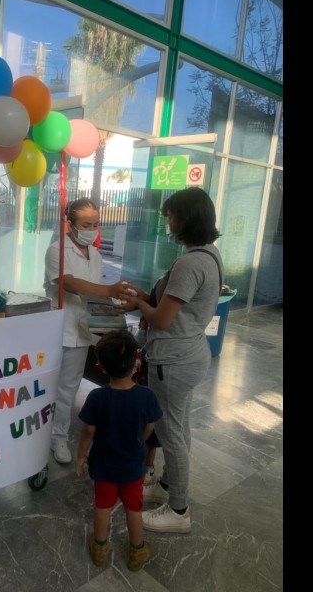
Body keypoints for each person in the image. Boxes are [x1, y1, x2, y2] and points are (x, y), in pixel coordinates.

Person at [115, 186, 222, 534]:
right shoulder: (208, 255)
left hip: (174, 360)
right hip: (190, 354)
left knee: (171, 433)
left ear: (186, 219)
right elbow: (173, 306)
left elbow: (162, 319)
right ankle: (166, 485)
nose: (169, 223)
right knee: (179, 427)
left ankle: (178, 510)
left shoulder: (191, 263)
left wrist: (138, 305)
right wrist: (145, 296)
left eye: (172, 217)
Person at [44, 198, 133, 464]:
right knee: (46, 386)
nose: (92, 230)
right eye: (85, 225)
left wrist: (113, 306)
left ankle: (58, 437)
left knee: (68, 388)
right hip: (57, 327)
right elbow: (68, 283)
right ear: (70, 224)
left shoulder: (96, 256)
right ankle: (36, 432)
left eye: (95, 224)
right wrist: (108, 290)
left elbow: (93, 294)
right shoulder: (57, 251)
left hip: (81, 329)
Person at [75, 329, 162, 571]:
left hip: (103, 465)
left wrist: (81, 456)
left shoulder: (97, 397)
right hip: (133, 465)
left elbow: (88, 430)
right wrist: (138, 441)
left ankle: (99, 548)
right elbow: (149, 427)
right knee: (133, 508)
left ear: (100, 366)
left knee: (103, 505)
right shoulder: (147, 396)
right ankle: (137, 551)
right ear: (137, 362)